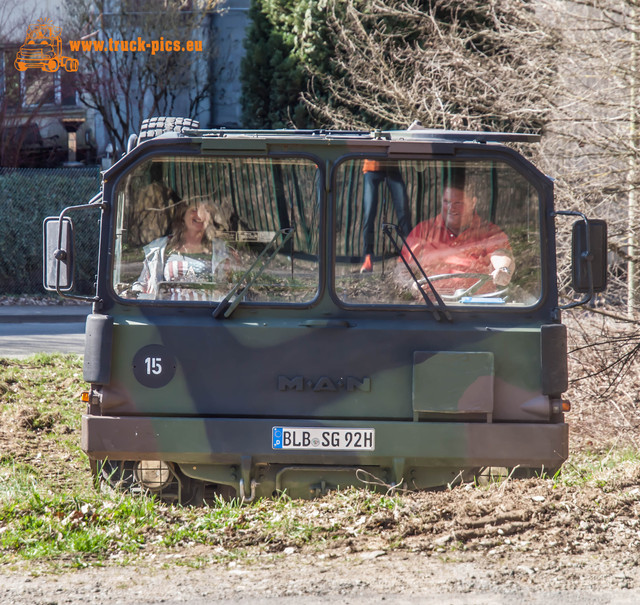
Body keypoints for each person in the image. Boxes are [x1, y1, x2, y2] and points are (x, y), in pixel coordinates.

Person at [399, 170, 514, 296]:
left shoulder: (489, 231)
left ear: (473, 202)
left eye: (458, 203)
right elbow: (402, 268)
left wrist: (502, 270)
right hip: (432, 308)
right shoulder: (423, 231)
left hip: (478, 308)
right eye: (446, 202)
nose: (450, 208)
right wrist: (410, 284)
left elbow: (501, 254)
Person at [131, 197, 235, 301]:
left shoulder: (221, 251)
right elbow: (143, 283)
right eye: (194, 209)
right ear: (182, 215)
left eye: (206, 211)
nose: (200, 215)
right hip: (165, 314)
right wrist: (133, 295)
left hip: (209, 314)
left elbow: (229, 289)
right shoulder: (159, 248)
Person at [360, 160, 411, 273]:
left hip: (391, 165)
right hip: (371, 167)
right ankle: (368, 257)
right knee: (369, 213)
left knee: (403, 210)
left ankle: (410, 254)